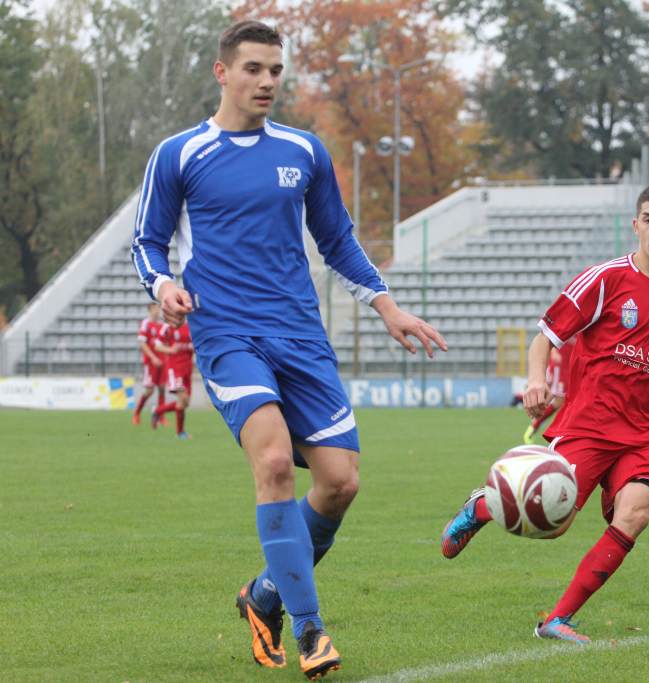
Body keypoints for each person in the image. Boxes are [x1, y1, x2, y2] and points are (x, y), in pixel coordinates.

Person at [130, 20, 446, 680]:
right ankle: (311, 631)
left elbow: (337, 240)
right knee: (274, 460)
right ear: (222, 72)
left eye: (276, 69)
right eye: (253, 68)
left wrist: (387, 307)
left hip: (301, 336)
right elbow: (148, 241)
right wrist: (163, 285)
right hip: (226, 333)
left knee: (339, 482)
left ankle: (264, 595)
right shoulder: (180, 154)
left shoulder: (304, 151)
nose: (268, 80)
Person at [441, 184, 649, 644]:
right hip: (589, 424)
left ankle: (557, 619)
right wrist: (537, 382)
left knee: (636, 512)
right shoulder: (604, 279)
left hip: (647, 434)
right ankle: (485, 505)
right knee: (555, 523)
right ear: (635, 225)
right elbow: (545, 336)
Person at [522, 335, 575, 443]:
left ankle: (538, 427)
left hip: (572, 365)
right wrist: (553, 353)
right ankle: (535, 427)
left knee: (564, 401)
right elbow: (546, 335)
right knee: (560, 401)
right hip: (560, 366)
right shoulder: (561, 319)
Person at [151, 320, 194, 439]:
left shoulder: (191, 325)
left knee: (185, 403)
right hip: (174, 368)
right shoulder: (168, 326)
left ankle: (158, 411)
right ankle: (180, 433)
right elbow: (157, 346)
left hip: (187, 368)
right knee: (183, 398)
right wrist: (170, 350)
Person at [132, 302, 166, 425]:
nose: (157, 311)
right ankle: (136, 413)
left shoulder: (163, 325)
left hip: (162, 361)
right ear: (150, 310)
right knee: (150, 390)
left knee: (162, 388)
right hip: (151, 362)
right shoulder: (146, 324)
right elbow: (142, 343)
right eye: (154, 309)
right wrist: (152, 358)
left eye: (158, 308)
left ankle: (161, 417)